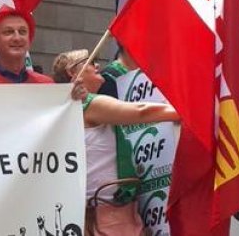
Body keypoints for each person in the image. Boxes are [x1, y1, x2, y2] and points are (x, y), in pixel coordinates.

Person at [64, 50, 180, 236]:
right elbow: (140, 111)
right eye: (91, 62)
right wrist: (181, 112)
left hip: (106, 214)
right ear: (72, 72)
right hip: (107, 219)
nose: (98, 65)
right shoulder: (91, 106)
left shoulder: (71, 111)